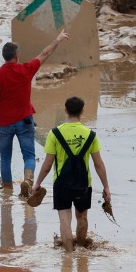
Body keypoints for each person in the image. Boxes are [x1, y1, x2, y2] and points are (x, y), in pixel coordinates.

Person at [0, 29, 71, 197]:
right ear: (16, 56)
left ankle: (8, 192)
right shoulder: (26, 69)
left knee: (5, 158)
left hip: (4, 124)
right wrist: (57, 40)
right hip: (24, 120)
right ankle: (28, 181)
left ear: (4, 56)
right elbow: (45, 53)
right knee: (29, 155)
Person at [33, 96, 111, 252]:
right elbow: (99, 164)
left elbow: (48, 164)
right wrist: (106, 187)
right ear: (82, 111)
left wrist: (37, 183)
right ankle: (81, 250)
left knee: (64, 220)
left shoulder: (55, 134)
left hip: (62, 184)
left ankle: (69, 255)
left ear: (65, 110)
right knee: (82, 217)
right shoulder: (90, 135)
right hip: (83, 184)